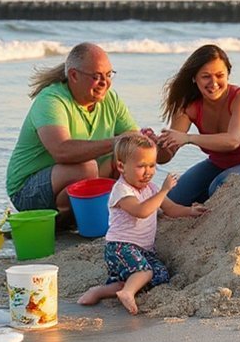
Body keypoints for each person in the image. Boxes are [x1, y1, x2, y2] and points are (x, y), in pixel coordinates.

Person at [6, 43, 139, 227]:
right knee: (86, 168)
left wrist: (149, 140)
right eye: (96, 77)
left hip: (71, 181)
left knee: (125, 157)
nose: (104, 83)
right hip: (27, 191)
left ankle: (108, 212)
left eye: (109, 75)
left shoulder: (110, 99)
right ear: (74, 75)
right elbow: (62, 151)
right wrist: (116, 142)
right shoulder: (51, 99)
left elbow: (132, 138)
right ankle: (64, 221)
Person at [77, 133, 205, 314]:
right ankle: (127, 293)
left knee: (160, 276)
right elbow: (141, 211)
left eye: (152, 165)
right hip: (120, 247)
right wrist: (164, 190)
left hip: (143, 250)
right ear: (121, 166)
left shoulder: (151, 188)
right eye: (141, 166)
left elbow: (171, 208)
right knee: (144, 272)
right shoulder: (122, 190)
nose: (148, 172)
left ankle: (103, 291)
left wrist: (190, 211)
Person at [155, 44, 240, 204]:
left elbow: (233, 140)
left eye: (219, 75)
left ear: (228, 75)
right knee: (173, 198)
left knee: (218, 187)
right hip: (218, 164)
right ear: (194, 78)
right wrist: (156, 146)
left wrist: (188, 138)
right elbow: (165, 156)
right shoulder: (188, 105)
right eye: (206, 76)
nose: (214, 82)